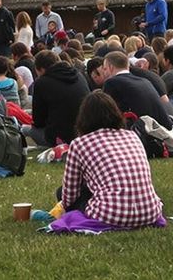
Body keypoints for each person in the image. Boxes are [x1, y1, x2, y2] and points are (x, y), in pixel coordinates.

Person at [55, 92, 165, 231]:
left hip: (110, 215)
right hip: (150, 211)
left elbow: (69, 195)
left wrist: (63, 206)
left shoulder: (79, 144)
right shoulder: (132, 136)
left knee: (62, 192)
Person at [93, 51, 173, 129]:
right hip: (161, 129)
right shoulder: (144, 81)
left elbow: (105, 113)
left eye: (105, 68)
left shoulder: (111, 83)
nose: (104, 72)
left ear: (111, 67)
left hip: (140, 133)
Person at [27, 50, 89, 146]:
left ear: (42, 69)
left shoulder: (42, 83)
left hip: (60, 137)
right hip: (84, 132)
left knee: (27, 130)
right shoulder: (78, 75)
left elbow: (38, 121)